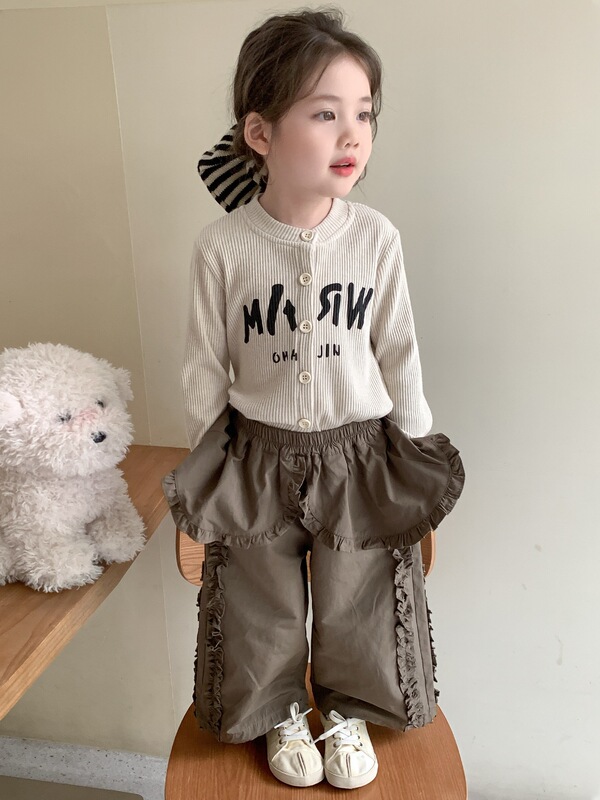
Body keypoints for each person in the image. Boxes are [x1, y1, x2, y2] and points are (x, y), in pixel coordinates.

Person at [162, 6, 465, 790]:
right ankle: (278, 711)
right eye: (326, 114)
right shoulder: (222, 246)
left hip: (357, 453)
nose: (352, 134)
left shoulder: (375, 239)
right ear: (260, 133)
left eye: (364, 114)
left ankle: (349, 710)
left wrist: (413, 445)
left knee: (357, 592)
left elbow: (398, 348)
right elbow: (204, 363)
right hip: (255, 454)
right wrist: (209, 461)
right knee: (258, 596)